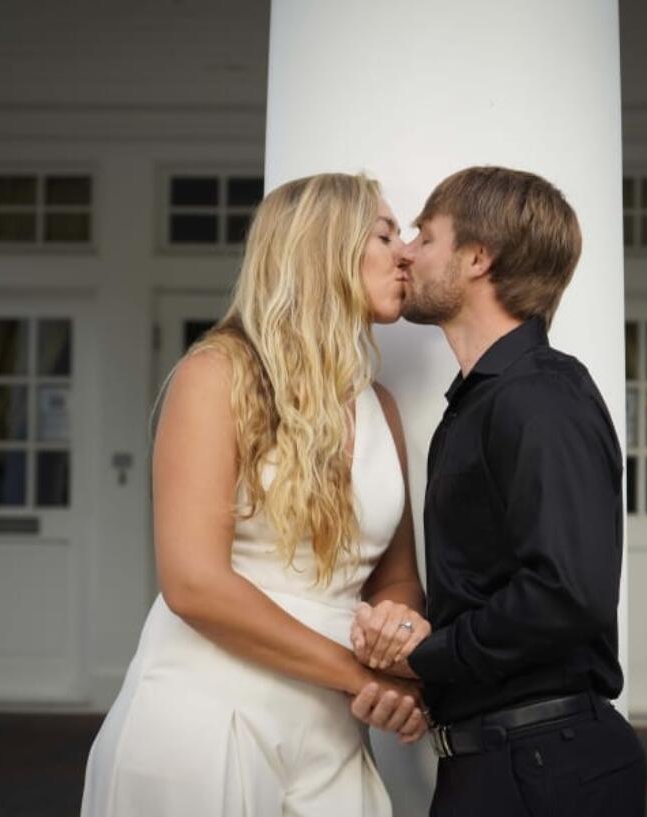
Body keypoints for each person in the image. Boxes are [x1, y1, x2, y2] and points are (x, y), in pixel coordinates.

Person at [80, 172, 433, 817]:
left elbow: (397, 575)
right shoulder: (215, 375)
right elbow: (193, 584)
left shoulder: (379, 404)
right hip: (207, 715)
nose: (405, 252)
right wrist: (363, 678)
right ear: (324, 248)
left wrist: (397, 628)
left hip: (331, 729)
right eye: (384, 234)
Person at [350, 166, 647, 816]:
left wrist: (425, 656)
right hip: (503, 762)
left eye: (424, 237)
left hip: (545, 768)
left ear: (477, 257)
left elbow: (568, 594)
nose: (405, 251)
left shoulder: (539, 396)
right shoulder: (487, 401)